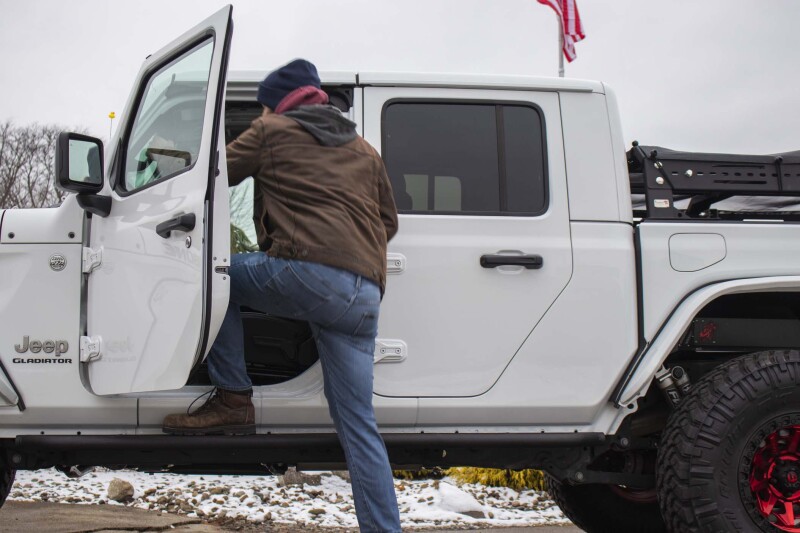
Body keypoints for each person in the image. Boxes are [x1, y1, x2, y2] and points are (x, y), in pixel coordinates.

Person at [162, 59, 401, 532]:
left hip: (314, 277)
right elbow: (388, 222)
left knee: (218, 274)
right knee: (359, 428)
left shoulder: (272, 129)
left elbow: (207, 182)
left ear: (277, 102)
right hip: (365, 295)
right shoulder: (362, 147)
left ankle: (233, 398)